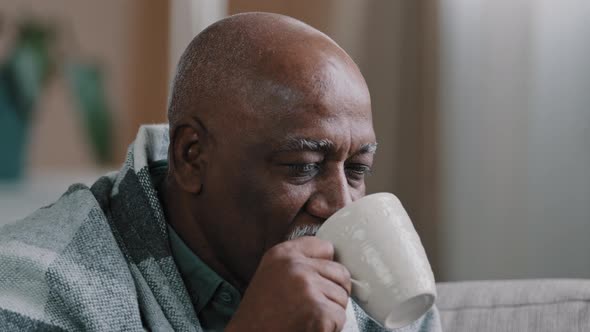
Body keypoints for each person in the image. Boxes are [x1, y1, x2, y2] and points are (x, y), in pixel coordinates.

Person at [0, 12, 441, 331]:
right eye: (302, 167)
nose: (340, 204)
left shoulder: (383, 284)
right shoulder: (35, 283)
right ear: (192, 157)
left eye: (357, 169)